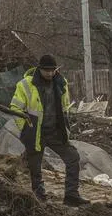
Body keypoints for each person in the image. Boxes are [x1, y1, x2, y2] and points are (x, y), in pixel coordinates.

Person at [10, 54, 90, 206]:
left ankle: (71, 195)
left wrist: (66, 125)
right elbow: (15, 108)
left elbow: (65, 107)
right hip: (35, 132)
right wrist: (25, 128)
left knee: (73, 158)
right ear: (39, 69)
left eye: (52, 70)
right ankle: (39, 198)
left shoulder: (61, 83)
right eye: (46, 70)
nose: (50, 73)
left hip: (55, 131)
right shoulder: (25, 85)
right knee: (35, 167)